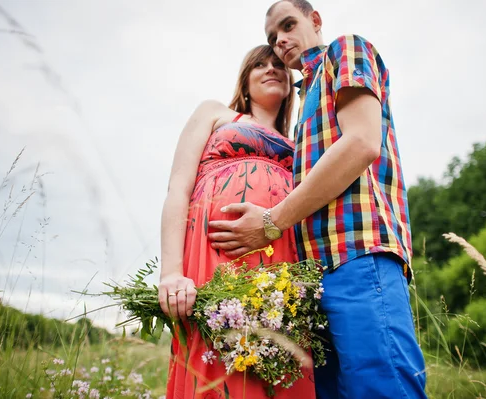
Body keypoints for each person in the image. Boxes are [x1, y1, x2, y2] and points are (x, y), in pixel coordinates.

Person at [207, 1, 428, 398]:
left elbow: (362, 142)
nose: (280, 41)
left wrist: (271, 222)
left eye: (288, 26)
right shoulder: (302, 103)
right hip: (314, 277)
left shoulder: (345, 50)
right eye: (272, 38)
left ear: (316, 20)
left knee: (382, 388)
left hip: (359, 254)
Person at [158, 44, 316, 399]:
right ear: (244, 83)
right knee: (218, 353)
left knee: (279, 357)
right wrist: (171, 271)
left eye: (278, 64)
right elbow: (177, 189)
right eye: (259, 64)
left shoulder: (301, 142)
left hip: (281, 261)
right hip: (216, 254)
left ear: (291, 85)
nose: (271, 68)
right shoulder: (215, 113)